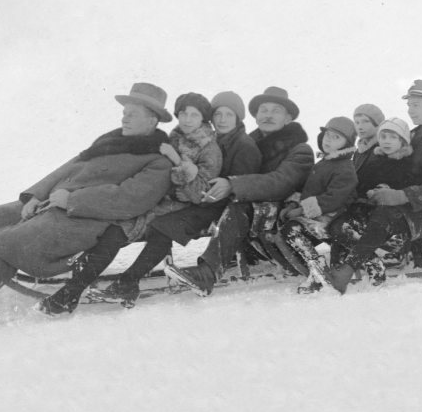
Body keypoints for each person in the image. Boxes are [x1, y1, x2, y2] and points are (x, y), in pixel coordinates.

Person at [0, 83, 175, 328]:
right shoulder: (110, 142)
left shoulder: (158, 161)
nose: (124, 116)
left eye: (132, 113)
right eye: (124, 110)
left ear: (152, 120)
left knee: (15, 241)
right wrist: (33, 197)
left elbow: (129, 201)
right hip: (53, 205)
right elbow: (65, 169)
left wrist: (73, 200)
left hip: (87, 220)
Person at [35, 91, 260, 314]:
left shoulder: (210, 148)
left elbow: (199, 193)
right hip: (155, 200)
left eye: (195, 115)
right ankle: (72, 293)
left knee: (153, 229)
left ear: (203, 120)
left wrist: (176, 160)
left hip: (181, 206)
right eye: (183, 113)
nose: (188, 120)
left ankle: (124, 283)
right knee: (114, 231)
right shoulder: (173, 137)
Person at [315, 79, 422, 294]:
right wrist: (385, 187)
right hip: (409, 201)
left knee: (385, 215)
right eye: (409, 105)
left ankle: (345, 273)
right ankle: (349, 262)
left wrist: (399, 195)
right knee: (350, 214)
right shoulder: (416, 134)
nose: (410, 110)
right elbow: (405, 171)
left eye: (416, 105)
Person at [163, 86, 315, 296]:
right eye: (264, 110)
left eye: (276, 111)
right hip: (257, 213)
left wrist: (233, 184)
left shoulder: (301, 150)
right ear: (256, 116)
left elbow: (279, 182)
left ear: (288, 119)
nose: (268, 115)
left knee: (240, 206)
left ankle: (207, 274)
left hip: (283, 215)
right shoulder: (252, 143)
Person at [325, 117, 418, 283]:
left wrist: (390, 190)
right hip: (365, 207)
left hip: (387, 215)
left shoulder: (409, 164)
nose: (386, 141)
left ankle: (367, 264)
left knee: (344, 228)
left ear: (403, 141)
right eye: (383, 137)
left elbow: (410, 187)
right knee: (338, 225)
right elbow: (361, 182)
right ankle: (343, 264)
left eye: (392, 137)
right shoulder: (375, 160)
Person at [277, 117, 358, 294]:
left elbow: (332, 199)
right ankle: (308, 264)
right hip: (319, 216)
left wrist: (302, 210)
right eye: (327, 134)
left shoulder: (345, 168)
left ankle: (318, 270)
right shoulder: (324, 162)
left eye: (336, 137)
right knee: (286, 231)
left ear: (347, 143)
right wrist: (293, 204)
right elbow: (308, 190)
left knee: (292, 230)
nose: (328, 139)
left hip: (332, 217)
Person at [352, 104, 385, 177]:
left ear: (377, 123)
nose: (359, 127)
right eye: (357, 123)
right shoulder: (358, 152)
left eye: (365, 122)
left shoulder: (384, 149)